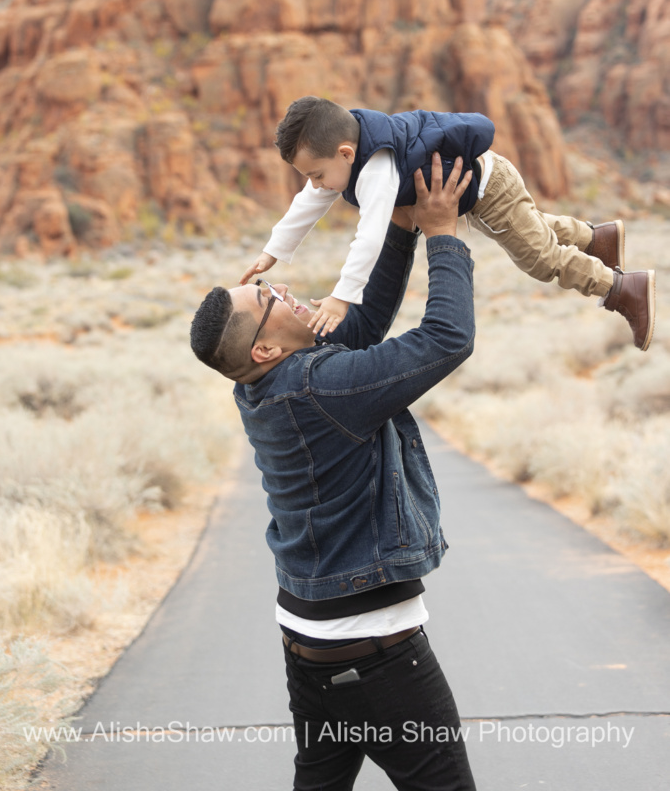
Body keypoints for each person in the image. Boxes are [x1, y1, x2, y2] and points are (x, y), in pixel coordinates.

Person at [191, 155, 478, 790]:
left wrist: (399, 229)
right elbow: (447, 338)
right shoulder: (321, 387)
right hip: (374, 651)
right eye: (269, 298)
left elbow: (363, 327)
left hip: (308, 641)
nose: (283, 289)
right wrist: (442, 235)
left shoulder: (264, 387)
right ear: (266, 347)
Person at [241, 96, 655, 351]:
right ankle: (597, 237)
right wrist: (271, 252)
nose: (315, 185)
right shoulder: (349, 156)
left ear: (346, 153)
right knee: (529, 226)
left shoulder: (374, 172)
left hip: (488, 189)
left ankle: (622, 288)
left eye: (316, 174)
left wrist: (341, 298)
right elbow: (308, 202)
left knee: (539, 258)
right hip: (484, 183)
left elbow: (368, 237)